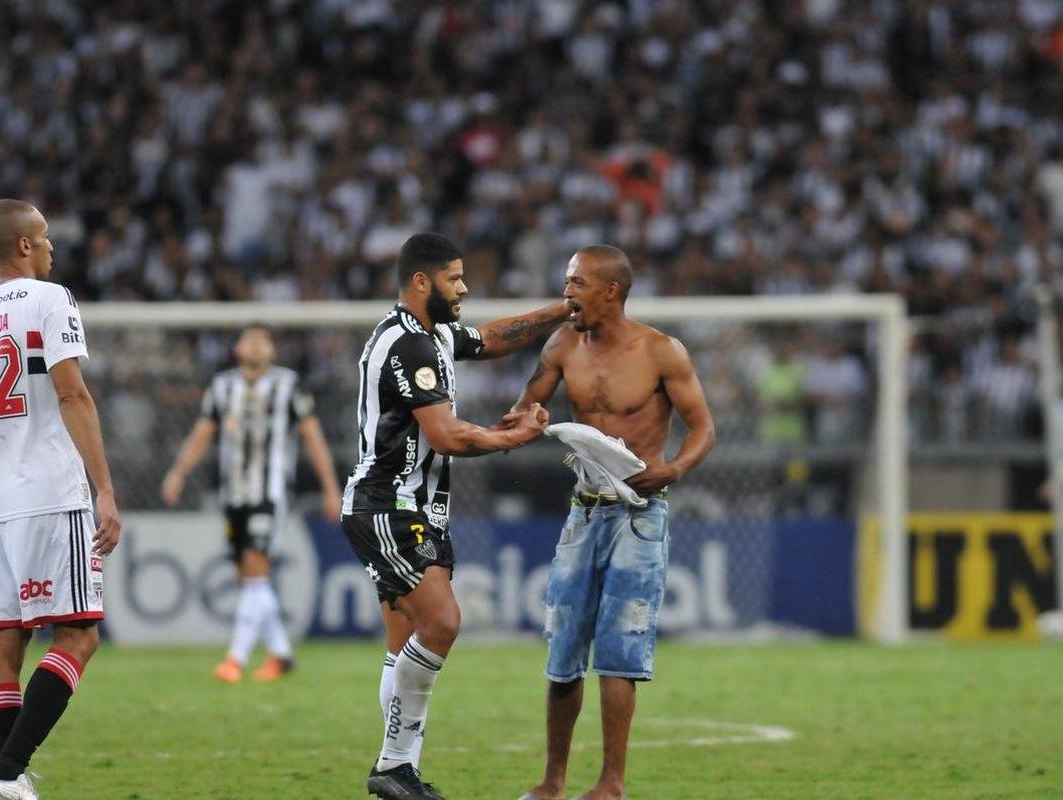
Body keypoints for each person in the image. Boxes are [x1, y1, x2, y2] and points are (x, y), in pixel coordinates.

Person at [343, 232, 570, 800]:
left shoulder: (434, 333)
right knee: (442, 623)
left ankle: (399, 773)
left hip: (417, 506)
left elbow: (494, 338)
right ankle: (394, 766)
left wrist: (561, 310)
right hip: (388, 505)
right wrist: (509, 436)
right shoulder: (409, 346)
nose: (465, 287)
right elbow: (443, 434)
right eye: (455, 278)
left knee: (403, 647)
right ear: (421, 281)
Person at [514, 245, 715, 800]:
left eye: (576, 283)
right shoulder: (562, 344)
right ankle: (552, 782)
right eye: (565, 281)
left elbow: (703, 428)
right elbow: (527, 405)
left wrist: (672, 468)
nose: (567, 293)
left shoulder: (661, 351)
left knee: (620, 653)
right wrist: (524, 422)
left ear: (610, 291)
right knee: (562, 653)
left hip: (639, 515)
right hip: (584, 511)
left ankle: (611, 784)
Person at [0, 199, 122, 800]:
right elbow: (72, 395)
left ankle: (7, 778)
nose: (50, 249)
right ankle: (7, 774)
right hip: (47, 490)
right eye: (43, 240)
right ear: (22, 246)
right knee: (78, 634)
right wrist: (105, 489)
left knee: (4, 639)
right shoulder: (50, 299)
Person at [161, 324, 343, 682]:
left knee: (255, 568)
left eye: (264, 339)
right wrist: (178, 472)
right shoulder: (221, 386)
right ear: (238, 348)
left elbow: (312, 436)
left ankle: (236, 658)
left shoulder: (288, 385)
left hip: (269, 493)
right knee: (248, 577)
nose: (256, 344)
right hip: (234, 495)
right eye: (250, 338)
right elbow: (203, 433)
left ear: (272, 350)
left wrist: (330, 487)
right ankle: (281, 653)